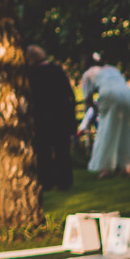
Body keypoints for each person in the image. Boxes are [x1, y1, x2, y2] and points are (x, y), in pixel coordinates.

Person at [22, 46, 75, 190]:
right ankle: (65, 181)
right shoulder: (57, 69)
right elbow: (69, 94)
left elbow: (32, 99)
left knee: (43, 151)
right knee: (62, 150)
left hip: (42, 117)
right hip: (61, 115)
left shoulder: (33, 74)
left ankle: (46, 181)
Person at [80, 61, 130, 177]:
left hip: (109, 95)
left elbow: (87, 98)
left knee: (105, 130)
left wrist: (95, 109)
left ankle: (104, 168)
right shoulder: (112, 69)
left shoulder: (88, 73)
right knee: (125, 130)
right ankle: (125, 167)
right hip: (127, 94)